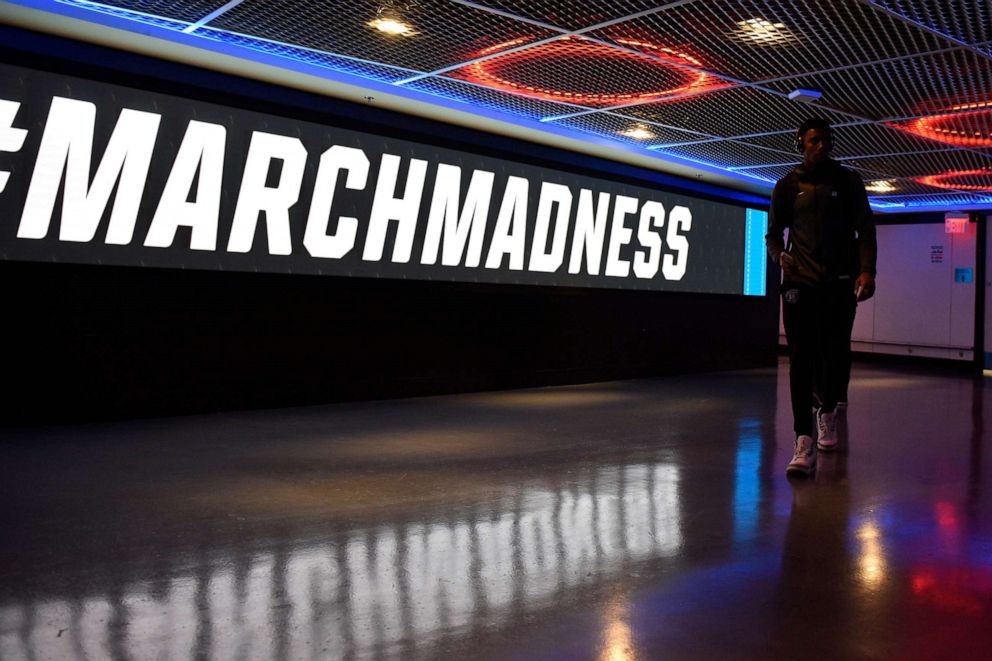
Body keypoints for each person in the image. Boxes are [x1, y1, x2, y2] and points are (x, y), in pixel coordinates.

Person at [766, 118, 877, 477]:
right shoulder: (786, 186)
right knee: (800, 358)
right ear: (800, 142)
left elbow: (865, 229)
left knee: (835, 352)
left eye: (827, 140)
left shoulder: (848, 183)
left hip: (839, 282)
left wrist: (867, 270)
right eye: (814, 140)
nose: (821, 146)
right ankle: (803, 441)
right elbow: (772, 235)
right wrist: (777, 255)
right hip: (799, 282)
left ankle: (827, 411)